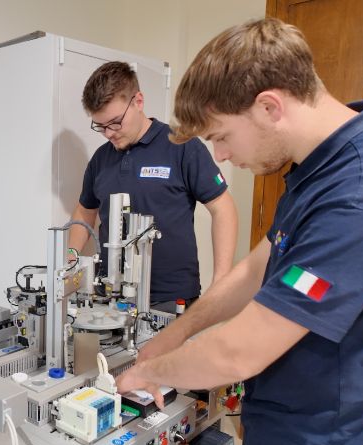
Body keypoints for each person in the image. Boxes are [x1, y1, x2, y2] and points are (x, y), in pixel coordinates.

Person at [115, 17, 363, 445]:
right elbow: (258, 268)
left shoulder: (362, 197)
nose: (221, 156)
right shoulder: (323, 170)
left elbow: (238, 353)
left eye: (221, 136)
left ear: (269, 106)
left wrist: (147, 374)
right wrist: (178, 332)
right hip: (298, 430)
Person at [68, 61, 237, 312]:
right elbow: (85, 210)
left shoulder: (181, 146)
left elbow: (222, 207)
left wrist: (221, 280)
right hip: (111, 296)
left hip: (170, 299)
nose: (109, 133)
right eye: (100, 126)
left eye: (115, 122)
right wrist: (71, 258)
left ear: (138, 101)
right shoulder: (101, 159)